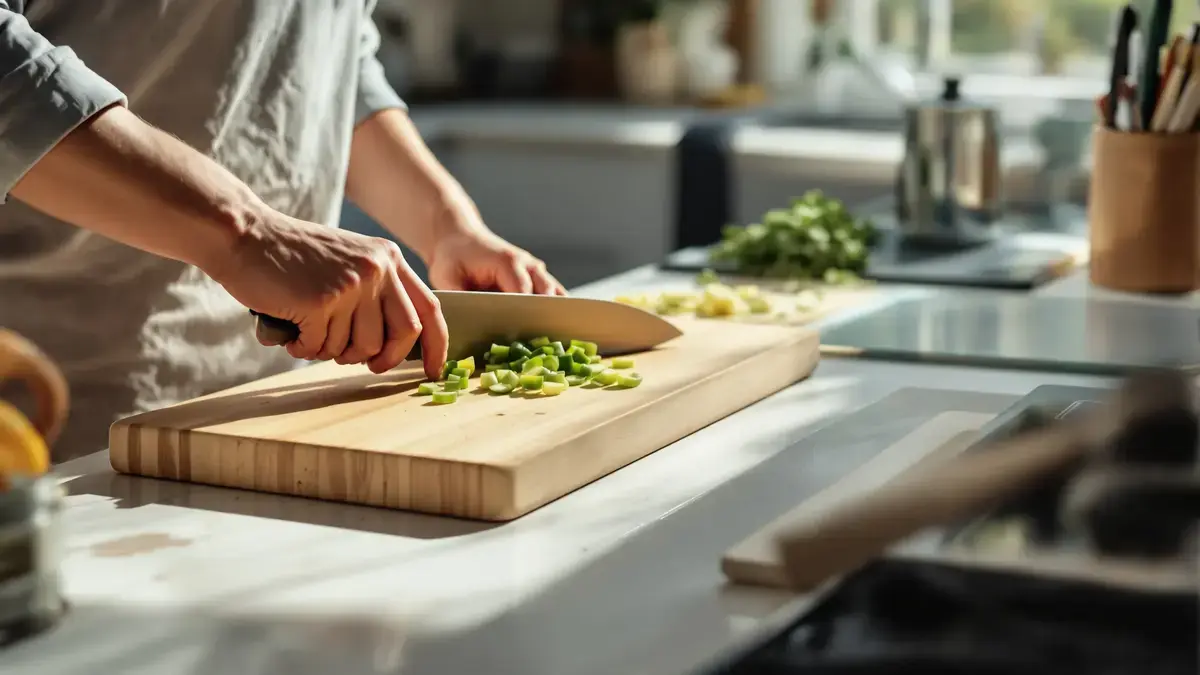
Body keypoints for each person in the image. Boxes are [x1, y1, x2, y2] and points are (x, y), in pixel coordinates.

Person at [0, 0, 565, 462]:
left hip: (268, 404)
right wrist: (248, 233)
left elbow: (331, 58)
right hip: (50, 412)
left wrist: (448, 226)